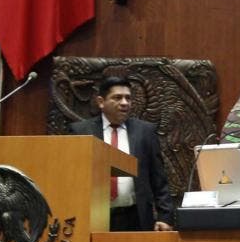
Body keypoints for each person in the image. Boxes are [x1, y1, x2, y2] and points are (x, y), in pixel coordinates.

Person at [69, 76, 174, 231]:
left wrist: (165, 217)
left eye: (128, 98)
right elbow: (72, 177)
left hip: (135, 216)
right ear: (101, 102)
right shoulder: (81, 131)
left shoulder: (145, 131)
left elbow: (158, 178)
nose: (125, 103)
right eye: (117, 98)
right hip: (94, 215)